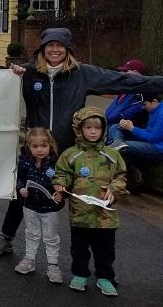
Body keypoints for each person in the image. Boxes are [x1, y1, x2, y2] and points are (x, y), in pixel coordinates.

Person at [0, 28, 163, 257]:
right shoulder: (29, 73)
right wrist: (12, 72)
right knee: (22, 193)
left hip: (71, 150)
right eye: (50, 45)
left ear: (68, 49)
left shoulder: (83, 73)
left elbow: (122, 80)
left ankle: (91, 255)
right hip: (37, 148)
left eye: (60, 45)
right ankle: (6, 237)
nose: (55, 49)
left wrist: (158, 83)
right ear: (42, 49)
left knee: (80, 199)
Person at [52, 107, 126, 296]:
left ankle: (104, 277)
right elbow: (62, 174)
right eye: (88, 127)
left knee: (106, 250)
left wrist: (114, 188)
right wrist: (60, 185)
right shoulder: (71, 154)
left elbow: (121, 176)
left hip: (105, 216)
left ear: (103, 130)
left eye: (97, 128)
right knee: (79, 249)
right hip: (80, 214)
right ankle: (79, 274)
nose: (93, 131)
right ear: (79, 129)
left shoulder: (112, 154)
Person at [13, 128, 64, 283]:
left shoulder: (56, 162)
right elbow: (19, 178)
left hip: (50, 209)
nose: (40, 150)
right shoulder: (25, 161)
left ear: (50, 145)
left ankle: (53, 265)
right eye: (35, 146)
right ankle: (29, 260)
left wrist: (61, 193)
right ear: (29, 146)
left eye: (43, 146)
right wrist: (20, 188)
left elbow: (64, 180)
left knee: (51, 237)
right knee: (31, 234)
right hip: (30, 206)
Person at [109, 92, 163, 188]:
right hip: (149, 141)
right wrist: (129, 126)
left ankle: (133, 175)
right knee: (115, 127)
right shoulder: (153, 110)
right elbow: (148, 131)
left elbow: (154, 137)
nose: (143, 107)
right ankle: (118, 142)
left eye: (144, 104)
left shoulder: (161, 113)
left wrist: (132, 129)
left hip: (158, 148)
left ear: (154, 101)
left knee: (123, 147)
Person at [105, 59, 149, 133]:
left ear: (135, 73)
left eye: (126, 71)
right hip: (109, 129)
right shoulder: (124, 89)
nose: (122, 73)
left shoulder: (142, 93)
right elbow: (109, 112)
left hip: (126, 133)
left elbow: (127, 114)